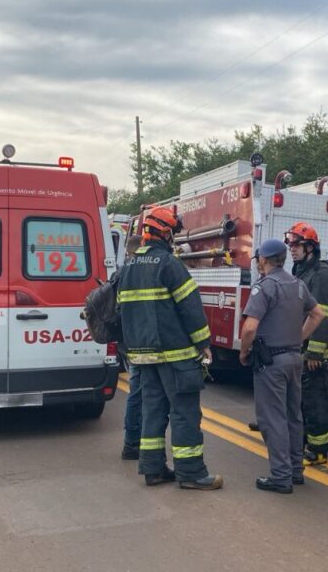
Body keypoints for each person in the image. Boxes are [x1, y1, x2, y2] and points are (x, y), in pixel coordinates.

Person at [117, 206, 223, 491]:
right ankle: (191, 473)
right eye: (172, 233)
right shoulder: (168, 264)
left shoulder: (127, 268)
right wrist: (204, 344)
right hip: (176, 355)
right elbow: (190, 307)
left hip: (143, 356)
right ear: (164, 234)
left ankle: (152, 469)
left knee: (153, 411)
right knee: (184, 413)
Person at [240, 239, 325, 494]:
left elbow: (250, 327)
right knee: (293, 416)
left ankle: (281, 476)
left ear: (263, 260)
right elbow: (318, 314)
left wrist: (244, 352)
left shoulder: (264, 287)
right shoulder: (298, 285)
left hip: (271, 363)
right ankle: (296, 471)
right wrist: (299, 338)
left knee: (272, 419)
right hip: (294, 358)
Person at [286, 222, 328, 466]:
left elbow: (324, 315)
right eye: (290, 244)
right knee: (303, 400)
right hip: (303, 349)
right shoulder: (302, 271)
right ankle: (307, 443)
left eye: (296, 245)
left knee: (315, 401)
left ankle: (319, 451)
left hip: (315, 353)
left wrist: (315, 353)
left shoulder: (322, 275)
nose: (292, 249)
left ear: (310, 247)